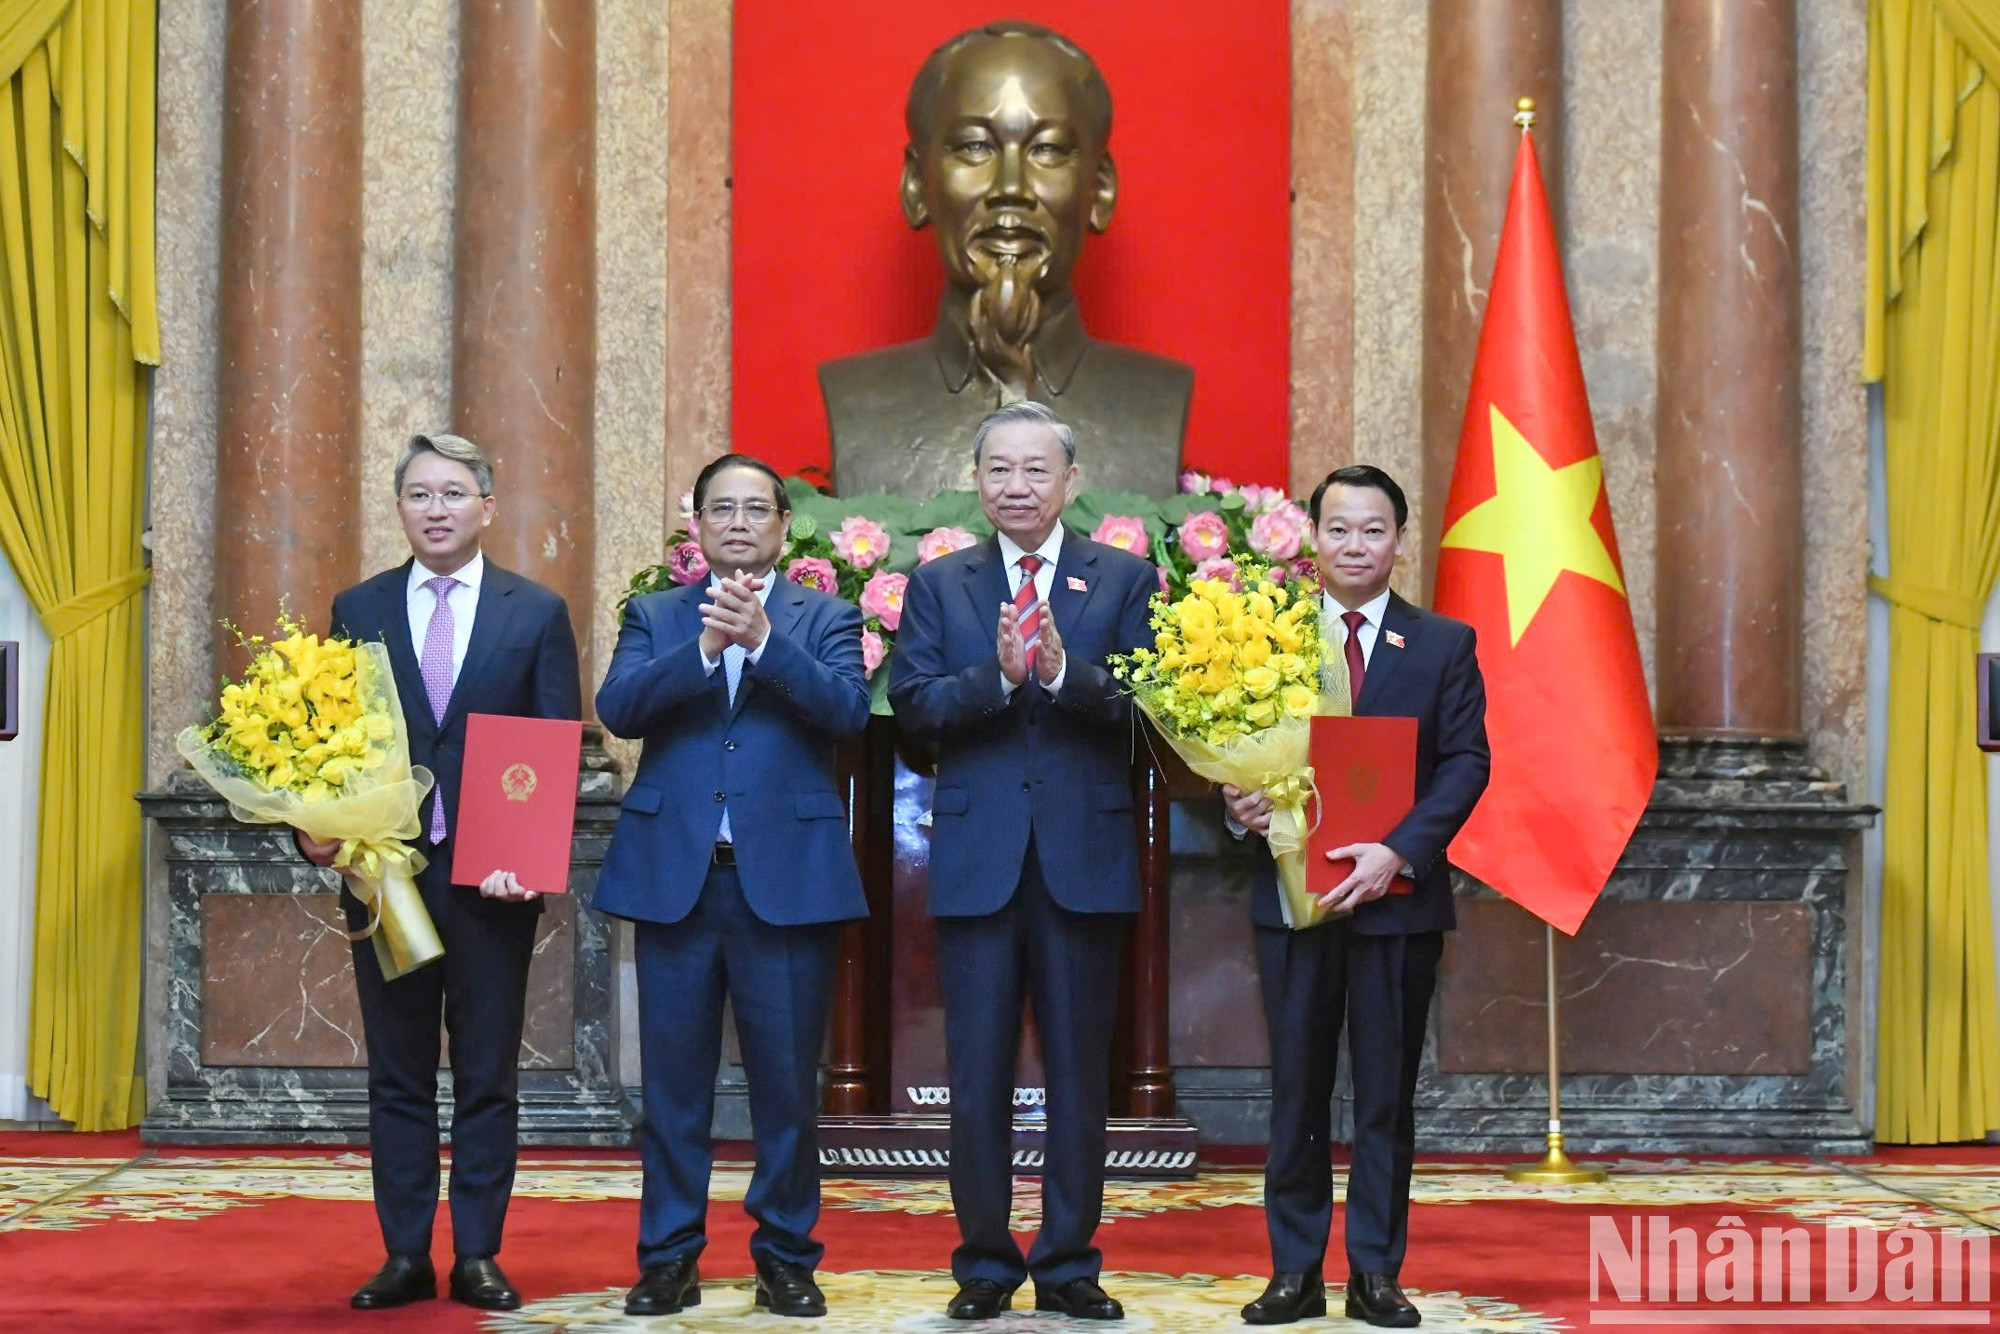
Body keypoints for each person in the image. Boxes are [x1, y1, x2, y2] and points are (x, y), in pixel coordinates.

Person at [299, 432, 582, 1313]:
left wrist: (531, 865)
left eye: (453, 493)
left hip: (492, 884)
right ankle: (405, 1255)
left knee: (489, 1075)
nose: (436, 509)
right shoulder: (359, 606)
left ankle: (480, 1255)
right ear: (400, 508)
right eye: (419, 494)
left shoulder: (533, 611)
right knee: (398, 1073)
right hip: (388, 875)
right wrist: (313, 832)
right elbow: (323, 740)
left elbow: (554, 744)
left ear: (486, 507)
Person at [889, 400, 1157, 1321]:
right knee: (978, 1079)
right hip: (978, 861)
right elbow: (914, 710)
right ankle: (984, 1266)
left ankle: (1072, 1263)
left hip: (1083, 857)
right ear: (976, 479)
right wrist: (999, 679)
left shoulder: (1124, 579)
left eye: (1037, 470)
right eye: (1000, 469)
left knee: (1082, 1076)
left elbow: (1149, 713)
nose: (1018, 486)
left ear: (1071, 481)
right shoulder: (940, 585)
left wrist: (1059, 676)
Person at [594, 453, 871, 1319]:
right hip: (678, 881)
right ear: (698, 527)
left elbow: (847, 714)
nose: (740, 523)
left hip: (786, 885)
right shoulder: (657, 613)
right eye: (723, 509)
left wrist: (761, 644)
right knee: (674, 1088)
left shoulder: (827, 616)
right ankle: (669, 1256)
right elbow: (621, 707)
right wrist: (706, 647)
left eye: (758, 509)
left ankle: (786, 1256)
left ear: (786, 528)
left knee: (788, 1087)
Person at [1224, 466, 1489, 1328]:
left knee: (1384, 1094)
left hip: (1396, 903)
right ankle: (1292, 1272)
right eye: (1338, 528)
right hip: (1296, 900)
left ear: (1399, 541)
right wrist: (1238, 802)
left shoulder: (1444, 643)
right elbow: (1239, 750)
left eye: (1373, 530)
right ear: (1313, 535)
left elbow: (1466, 764)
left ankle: (1377, 1272)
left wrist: (1400, 850)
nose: (1355, 545)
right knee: (1295, 1091)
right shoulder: (1269, 637)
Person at [820, 19, 1190, 500]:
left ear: (1099, 188)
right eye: (975, 147)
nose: (1011, 188)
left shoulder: (1159, 397)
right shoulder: (856, 398)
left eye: (1048, 149)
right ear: (916, 185)